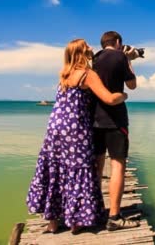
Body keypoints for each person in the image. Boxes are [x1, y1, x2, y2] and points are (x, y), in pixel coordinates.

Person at [26, 38, 128, 234]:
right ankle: (76, 221)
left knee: (56, 171)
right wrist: (123, 96)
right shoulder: (87, 75)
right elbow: (108, 98)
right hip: (75, 129)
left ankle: (53, 222)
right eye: (87, 46)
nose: (91, 48)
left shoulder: (65, 74)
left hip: (55, 128)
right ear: (82, 52)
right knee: (78, 171)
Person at [92, 31, 140, 231]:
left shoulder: (94, 58)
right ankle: (114, 216)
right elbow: (132, 85)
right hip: (116, 120)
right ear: (118, 42)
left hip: (93, 120)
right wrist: (129, 60)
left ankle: (93, 209)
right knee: (117, 166)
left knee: (97, 165)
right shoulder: (121, 56)